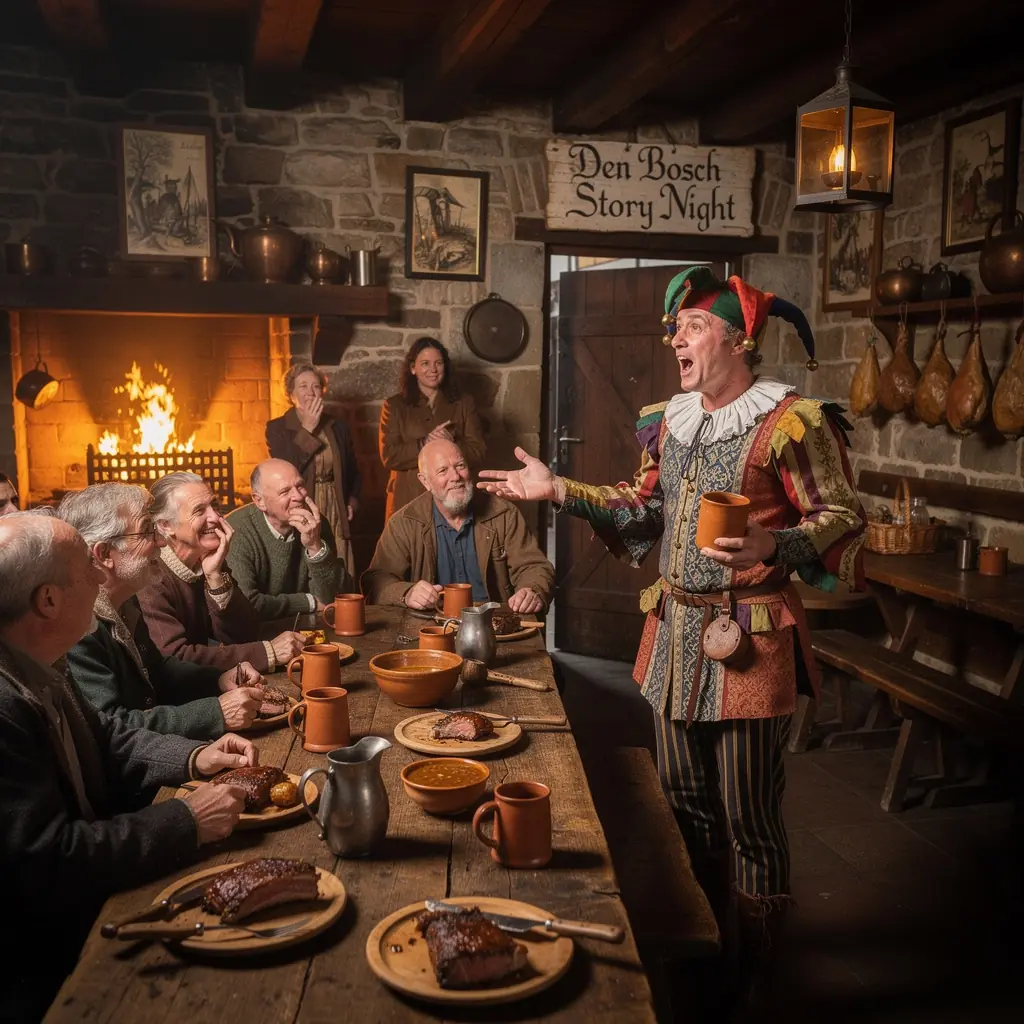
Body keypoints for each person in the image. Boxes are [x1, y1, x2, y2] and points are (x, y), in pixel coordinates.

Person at [477, 267, 866, 1000]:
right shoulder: (671, 420)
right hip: (676, 631)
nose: (675, 337)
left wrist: (773, 547)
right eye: (675, 327)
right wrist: (557, 489)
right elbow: (641, 503)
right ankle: (702, 954)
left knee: (750, 813)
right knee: (684, 801)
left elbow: (841, 514)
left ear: (738, 337)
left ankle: (756, 981)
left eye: (691, 325)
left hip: (750, 637)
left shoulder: (789, 420)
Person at [0, 512, 254, 1024]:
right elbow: (49, 860)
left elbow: (107, 739)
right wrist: (185, 820)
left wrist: (192, 756)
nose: (99, 577)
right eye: (84, 572)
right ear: (47, 601)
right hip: (41, 959)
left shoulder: (41, 658)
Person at [59, 483, 266, 743]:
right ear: (104, 554)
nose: (160, 541)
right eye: (147, 530)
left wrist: (218, 680)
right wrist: (216, 713)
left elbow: (158, 671)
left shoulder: (124, 600)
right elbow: (114, 726)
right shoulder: (78, 628)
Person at [138, 472, 306, 673]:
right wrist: (268, 652)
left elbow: (245, 635)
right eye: (200, 511)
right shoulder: (149, 577)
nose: (216, 517)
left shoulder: (207, 560)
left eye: (214, 506)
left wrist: (215, 576)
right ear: (166, 526)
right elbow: (175, 659)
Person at [363, 438, 554, 613]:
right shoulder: (404, 522)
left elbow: (534, 567)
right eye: (442, 471)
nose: (455, 476)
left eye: (460, 466)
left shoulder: (504, 514)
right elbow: (376, 580)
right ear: (425, 481)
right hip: (430, 627)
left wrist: (532, 590)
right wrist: (407, 593)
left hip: (493, 622)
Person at [265, 362, 361, 585]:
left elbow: (355, 471)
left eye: (316, 386)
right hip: (303, 503)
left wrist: (352, 502)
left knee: (340, 565)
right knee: (308, 562)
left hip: (335, 506)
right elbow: (286, 469)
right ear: (291, 394)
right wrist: (307, 429)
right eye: (303, 386)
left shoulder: (338, 426)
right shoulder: (277, 428)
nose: (310, 392)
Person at [379, 337, 486, 522]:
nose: (433, 370)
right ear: (413, 368)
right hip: (407, 499)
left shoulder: (464, 403)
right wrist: (424, 443)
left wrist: (449, 445)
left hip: (453, 501)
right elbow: (389, 455)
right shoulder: (394, 406)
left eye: (438, 363)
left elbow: (479, 451)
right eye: (425, 364)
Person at [226, 458, 341, 624]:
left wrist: (314, 546)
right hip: (256, 633)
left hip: (308, 626)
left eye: (300, 485)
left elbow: (331, 598)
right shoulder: (237, 530)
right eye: (285, 492)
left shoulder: (315, 524)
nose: (299, 496)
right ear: (260, 501)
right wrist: (308, 602)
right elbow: (247, 604)